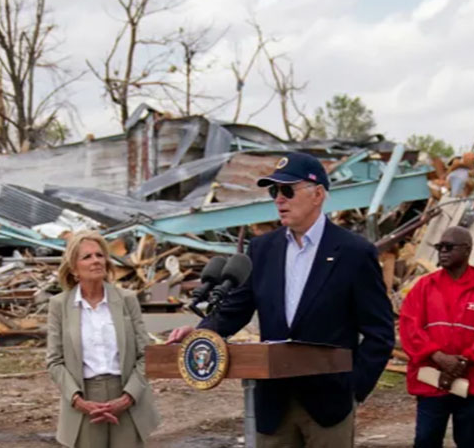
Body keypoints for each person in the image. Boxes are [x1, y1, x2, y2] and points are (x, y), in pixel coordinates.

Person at [167, 152, 395, 447]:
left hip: (329, 405)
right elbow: (235, 309)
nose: (279, 199)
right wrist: (201, 335)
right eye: (274, 191)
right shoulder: (262, 249)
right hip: (273, 405)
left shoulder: (354, 252)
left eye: (288, 190)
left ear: (318, 195)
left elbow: (380, 332)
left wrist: (354, 389)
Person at [45, 231, 160, 448]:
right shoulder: (60, 305)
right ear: (73, 268)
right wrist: (78, 401)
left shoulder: (126, 300)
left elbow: (147, 355)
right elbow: (54, 361)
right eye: (87, 257)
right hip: (84, 400)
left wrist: (127, 397)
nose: (96, 260)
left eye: (100, 255)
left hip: (127, 396)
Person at [399, 226, 474, 448]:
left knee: (473, 443)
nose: (443, 252)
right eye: (440, 247)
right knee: (425, 440)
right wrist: (438, 357)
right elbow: (409, 328)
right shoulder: (424, 288)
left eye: (449, 247)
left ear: (467, 250)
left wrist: (465, 362)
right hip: (433, 382)